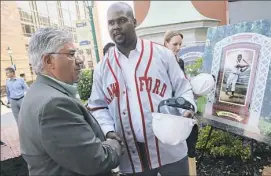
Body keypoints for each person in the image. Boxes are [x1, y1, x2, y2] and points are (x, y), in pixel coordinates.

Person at [88, 2, 196, 176]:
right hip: (131, 157)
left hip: (170, 149)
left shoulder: (162, 55)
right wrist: (108, 130)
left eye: (122, 20)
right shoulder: (102, 68)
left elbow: (184, 88)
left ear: (134, 22)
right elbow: (97, 106)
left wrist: (188, 109)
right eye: (111, 23)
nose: (116, 27)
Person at [18, 27, 124, 176]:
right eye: (71, 54)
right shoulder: (54, 105)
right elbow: (96, 161)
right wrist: (114, 144)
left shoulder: (39, 92)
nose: (80, 61)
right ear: (49, 61)